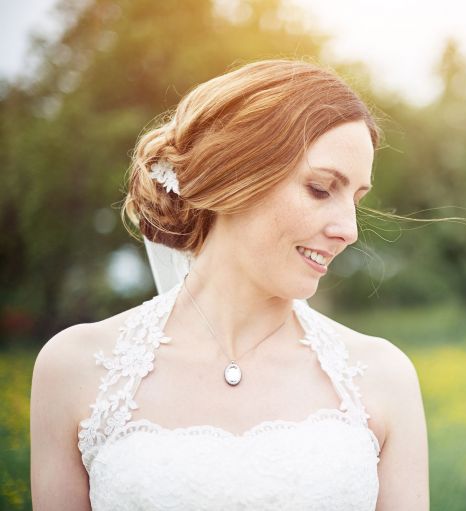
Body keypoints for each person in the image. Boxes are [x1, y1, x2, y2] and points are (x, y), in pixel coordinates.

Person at [30, 60, 429, 510]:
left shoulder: (382, 378)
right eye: (321, 189)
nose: (349, 231)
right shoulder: (75, 370)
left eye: (356, 199)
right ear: (234, 174)